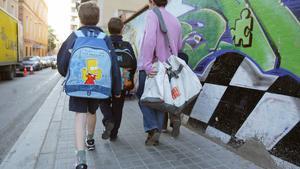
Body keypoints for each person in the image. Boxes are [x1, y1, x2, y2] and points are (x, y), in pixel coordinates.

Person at [57, 2, 121, 169]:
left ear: (80, 18)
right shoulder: (104, 38)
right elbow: (114, 65)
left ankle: (80, 159)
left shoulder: (75, 36)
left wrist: (67, 74)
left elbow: (62, 61)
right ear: (97, 18)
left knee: (80, 116)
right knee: (92, 111)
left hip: (78, 84)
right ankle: (90, 140)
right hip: (98, 86)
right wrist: (116, 90)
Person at [136, 0, 183, 146]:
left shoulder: (152, 14)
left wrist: (147, 65)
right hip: (168, 68)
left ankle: (152, 128)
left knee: (143, 98)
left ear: (151, 1)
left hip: (153, 66)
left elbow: (150, 39)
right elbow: (180, 45)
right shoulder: (175, 20)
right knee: (160, 99)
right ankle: (154, 134)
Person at [99, 17, 137, 141]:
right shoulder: (127, 45)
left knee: (102, 101)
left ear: (108, 30)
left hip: (106, 82)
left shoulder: (104, 44)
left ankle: (108, 119)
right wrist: (129, 79)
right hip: (122, 83)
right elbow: (134, 64)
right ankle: (113, 134)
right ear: (122, 29)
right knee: (118, 107)